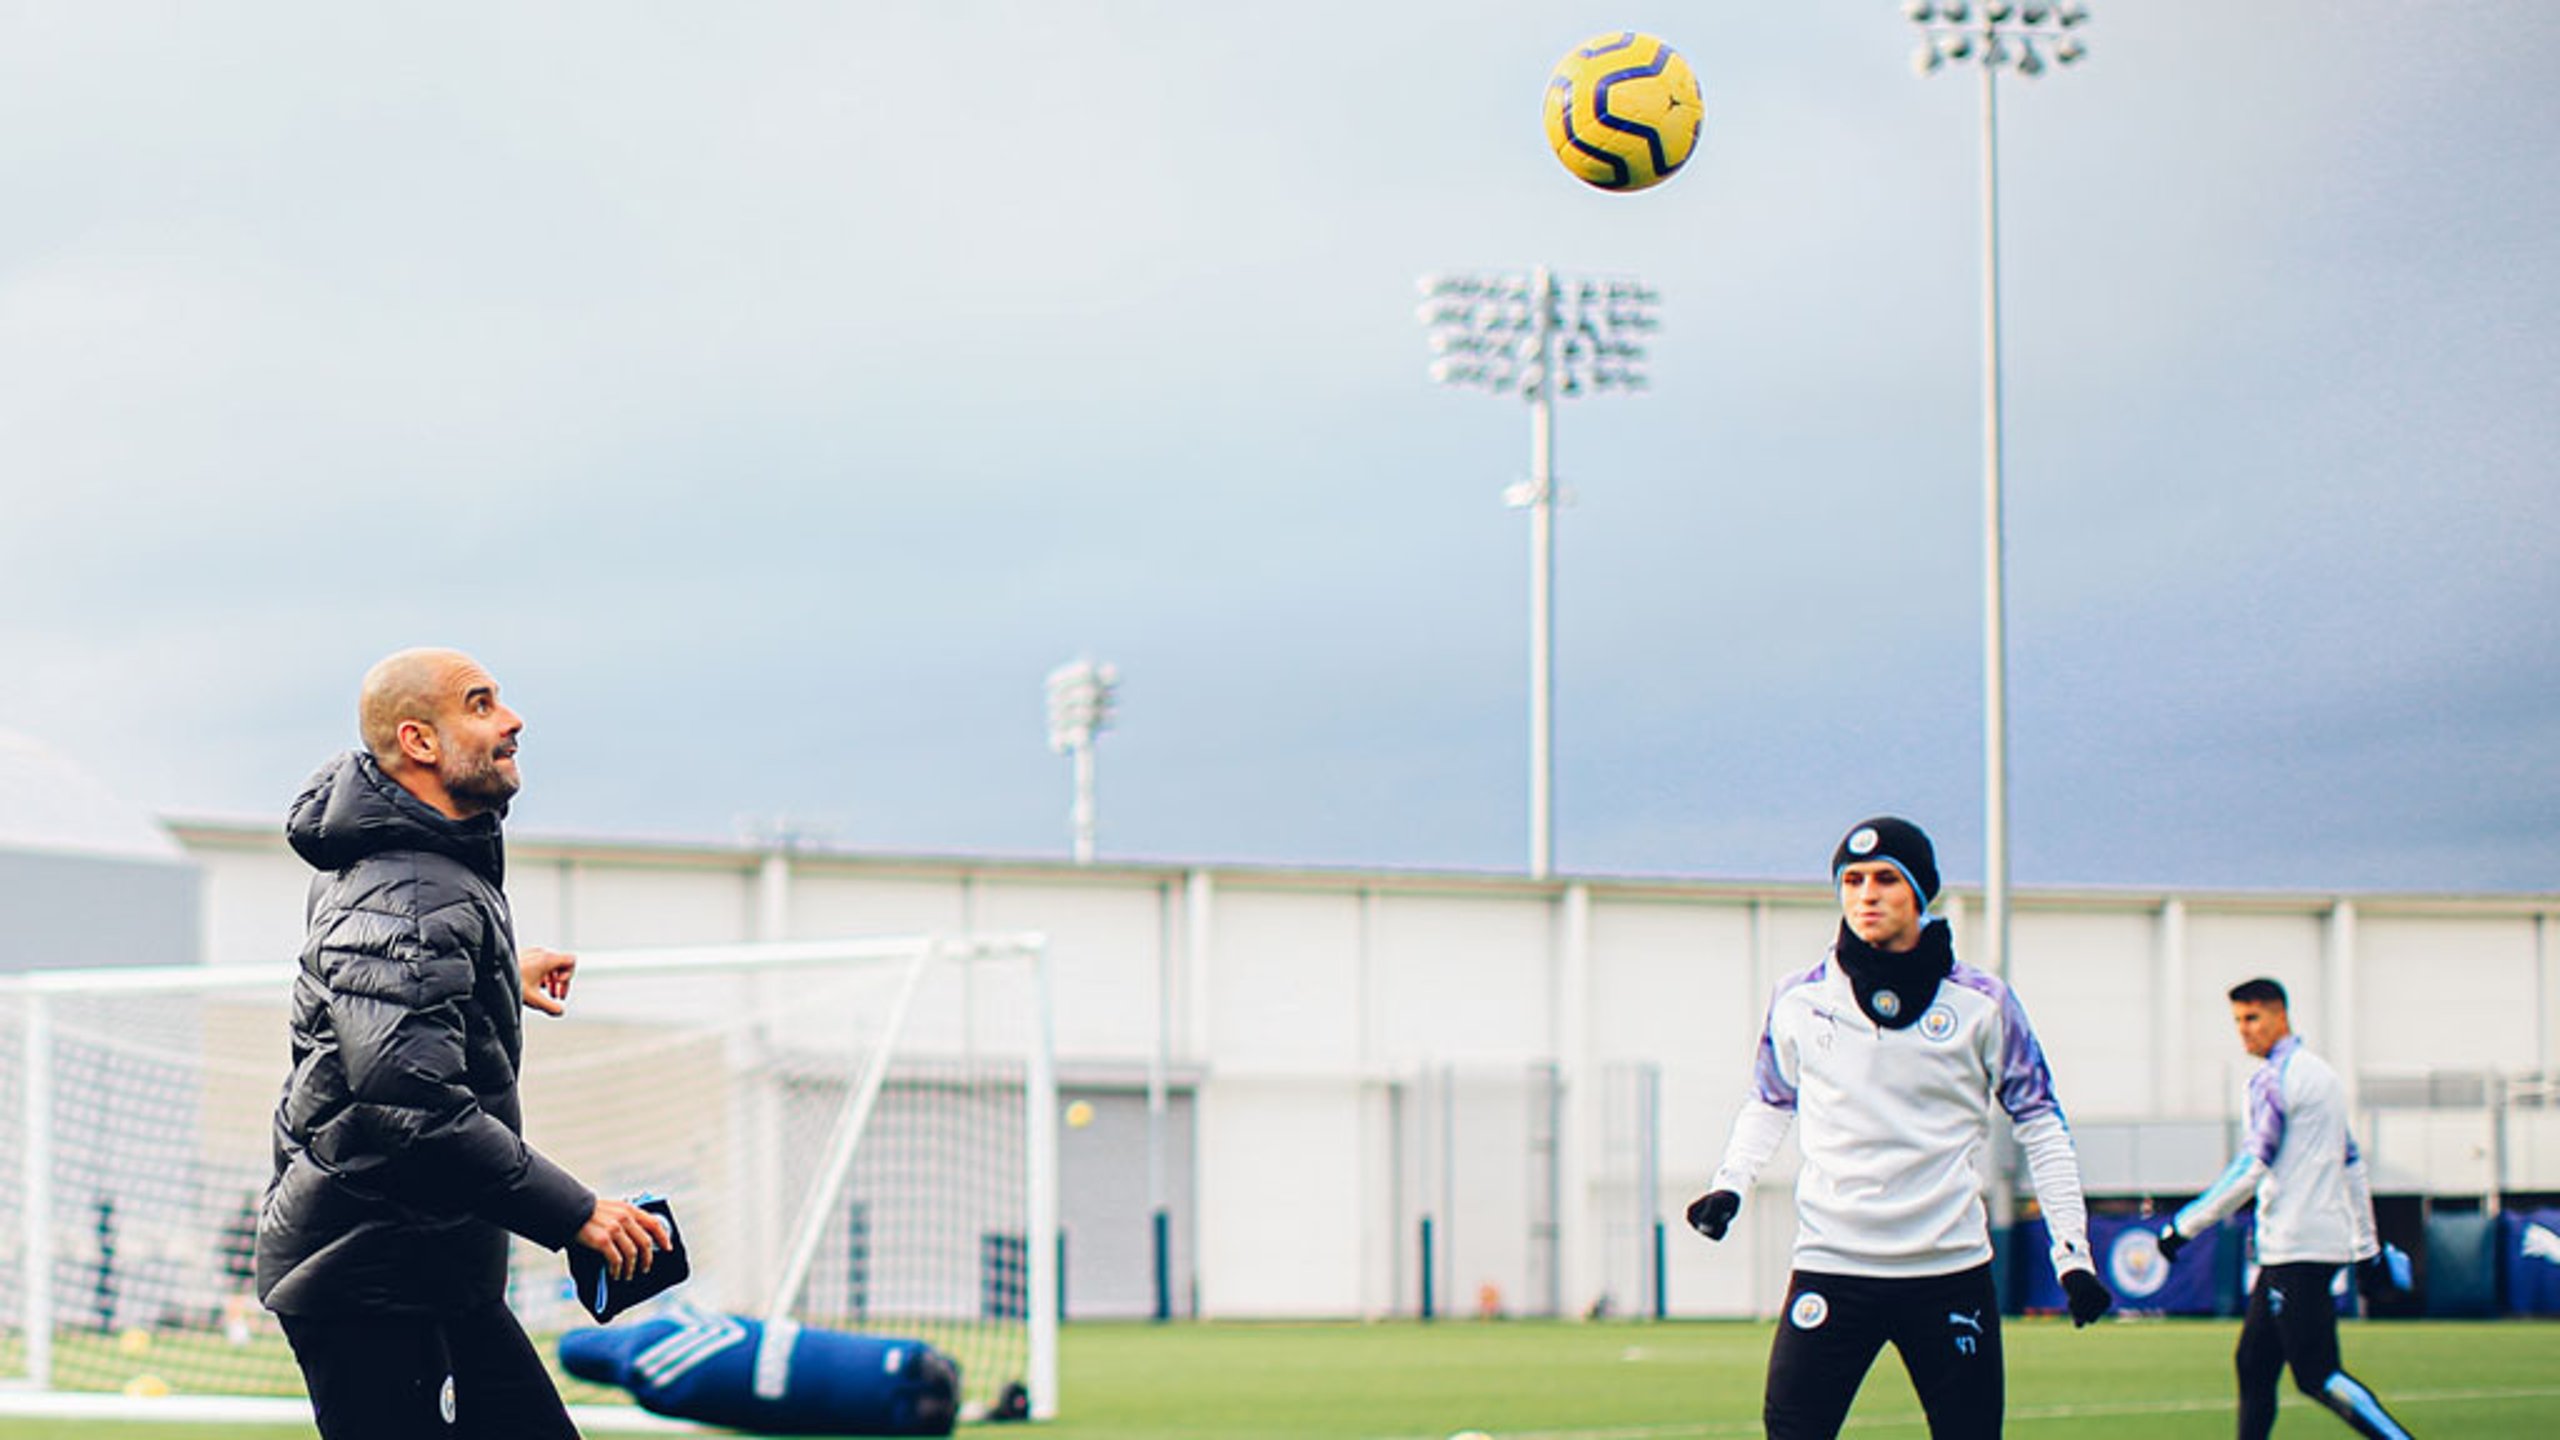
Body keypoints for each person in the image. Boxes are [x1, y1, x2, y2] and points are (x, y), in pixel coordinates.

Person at [256, 648, 670, 1439]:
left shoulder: (419, 873)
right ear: (418, 742)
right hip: (373, 1275)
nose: (511, 721)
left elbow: (378, 998)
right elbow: (411, 1108)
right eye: (480, 705)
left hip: (430, 1265)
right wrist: (577, 1212)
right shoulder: (410, 888)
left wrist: (490, 973)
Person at [1688, 816, 2113, 1440]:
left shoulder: (1982, 1003)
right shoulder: (1798, 999)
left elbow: (2041, 1123)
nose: (1866, 894)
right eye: (1852, 879)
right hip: (1833, 1263)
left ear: (1921, 892)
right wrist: (1730, 1184)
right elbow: (1770, 1100)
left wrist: (2071, 1254)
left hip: (1948, 1271)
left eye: (1886, 879)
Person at [2156, 978, 2416, 1440]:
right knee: (2253, 1362)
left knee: (2318, 1374)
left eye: (2253, 1018)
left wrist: (2183, 1226)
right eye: (2237, 1020)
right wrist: (2366, 1249)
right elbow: (2351, 1164)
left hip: (2296, 1247)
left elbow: (2252, 1166)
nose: (2244, 1031)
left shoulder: (2272, 1080)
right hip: (2303, 1247)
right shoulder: (2324, 1076)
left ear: (2281, 1015)